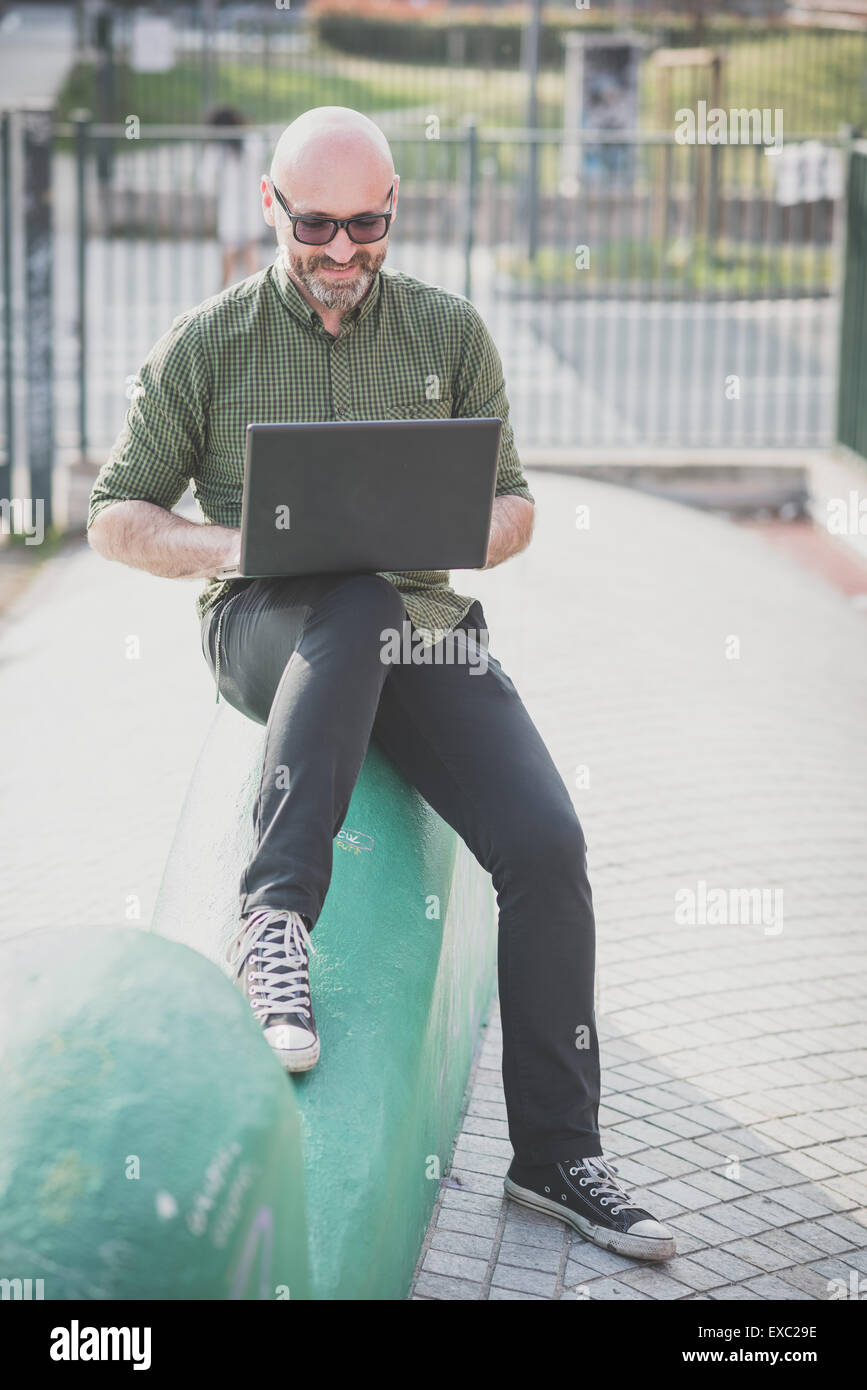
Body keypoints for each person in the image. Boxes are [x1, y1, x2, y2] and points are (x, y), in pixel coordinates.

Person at [86, 105, 676, 1263]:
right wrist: (234, 545)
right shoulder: (207, 343)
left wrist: (461, 527)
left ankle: (557, 1155)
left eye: (368, 225)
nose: (343, 251)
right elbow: (113, 517)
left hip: (419, 627)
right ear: (271, 207)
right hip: (270, 624)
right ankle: (273, 927)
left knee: (549, 845)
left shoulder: (450, 333)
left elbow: (515, 504)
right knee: (347, 598)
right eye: (317, 224)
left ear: (394, 211)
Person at [206, 105, 262, 287]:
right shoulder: (251, 142)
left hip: (239, 205)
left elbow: (206, 180)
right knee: (243, 251)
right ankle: (240, 289)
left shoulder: (244, 144)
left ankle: (232, 289)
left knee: (241, 251)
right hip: (245, 205)